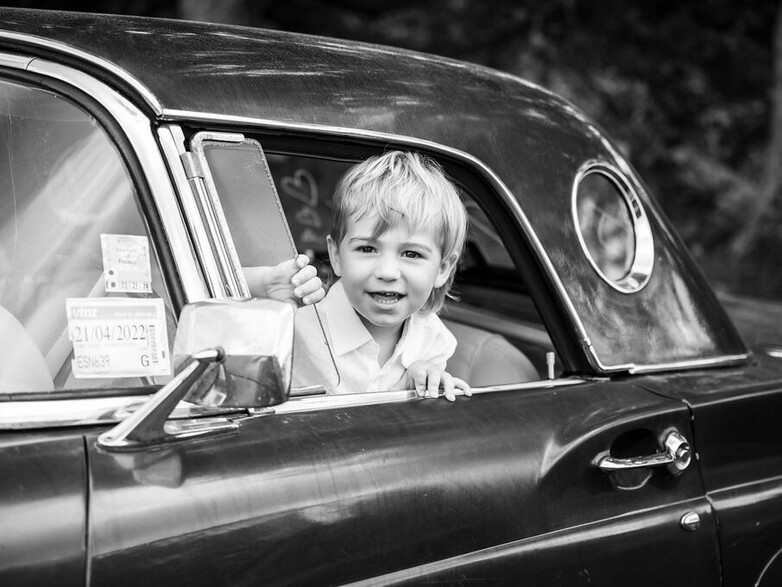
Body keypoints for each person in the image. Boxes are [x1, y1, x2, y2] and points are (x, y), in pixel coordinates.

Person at [247, 150, 471, 401]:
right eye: (367, 249)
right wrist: (262, 284)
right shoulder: (297, 323)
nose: (387, 272)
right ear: (336, 256)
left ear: (443, 269)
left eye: (411, 254)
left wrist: (417, 382)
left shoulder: (432, 340)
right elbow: (217, 319)